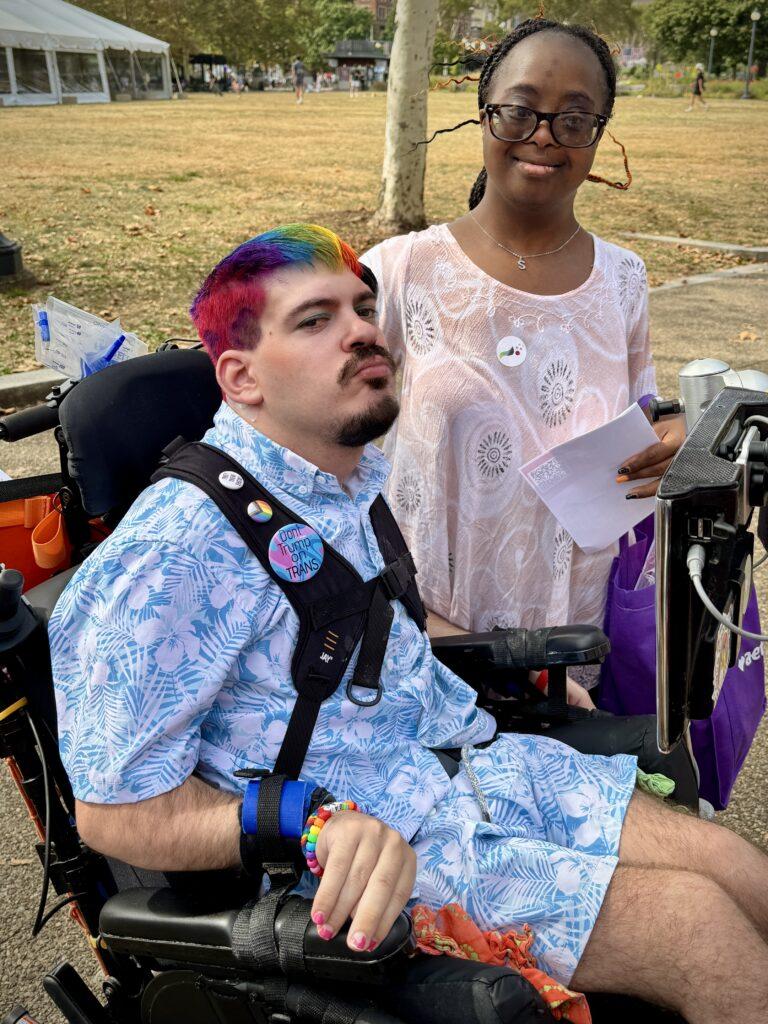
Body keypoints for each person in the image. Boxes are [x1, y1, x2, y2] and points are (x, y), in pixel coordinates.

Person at [50, 224, 768, 1023]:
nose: (362, 329)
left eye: (363, 308)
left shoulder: (340, 482)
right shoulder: (170, 555)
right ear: (241, 377)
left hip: (471, 769)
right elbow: (115, 811)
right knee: (699, 929)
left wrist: (529, 667)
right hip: (368, 864)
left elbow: (371, 616)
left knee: (734, 869)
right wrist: (308, 820)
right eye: (315, 319)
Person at [362, 19, 686, 704]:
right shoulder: (399, 272)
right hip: (430, 640)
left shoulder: (623, 279)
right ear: (483, 116)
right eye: (520, 110)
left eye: (574, 117)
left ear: (598, 135)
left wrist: (670, 432)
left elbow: (644, 413)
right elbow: (314, 448)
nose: (544, 133)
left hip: (570, 647)